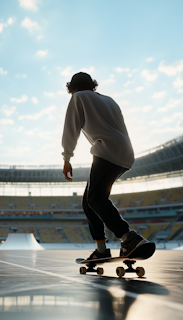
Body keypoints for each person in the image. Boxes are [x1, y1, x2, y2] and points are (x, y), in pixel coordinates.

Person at [61, 72, 151, 260]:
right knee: (89, 201)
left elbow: (71, 128)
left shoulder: (78, 97)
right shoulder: (110, 100)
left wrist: (67, 158)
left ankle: (128, 237)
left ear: (73, 88)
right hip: (125, 153)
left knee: (95, 197)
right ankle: (101, 250)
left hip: (106, 149)